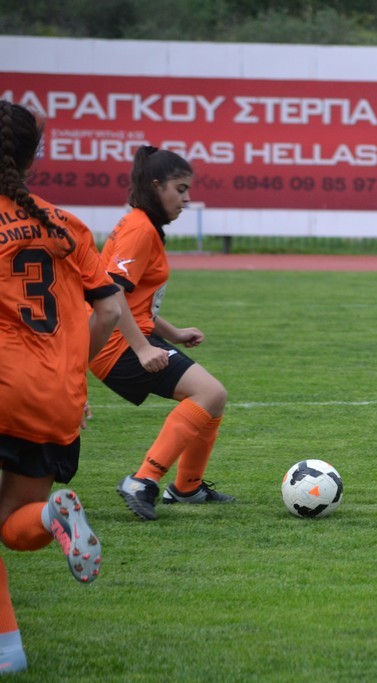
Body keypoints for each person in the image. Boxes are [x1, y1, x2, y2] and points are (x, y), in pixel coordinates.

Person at [0, 101, 121, 673]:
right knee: (15, 522)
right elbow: (109, 310)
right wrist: (73, 374)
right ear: (33, 157)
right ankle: (52, 515)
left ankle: (8, 650)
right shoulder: (68, 224)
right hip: (56, 397)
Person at [90, 146, 233, 521]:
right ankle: (142, 480)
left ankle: (187, 488)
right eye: (180, 189)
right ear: (156, 186)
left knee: (213, 400)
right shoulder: (139, 229)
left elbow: (136, 300)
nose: (186, 199)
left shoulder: (142, 225)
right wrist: (142, 348)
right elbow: (112, 291)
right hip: (116, 345)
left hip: (125, 337)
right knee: (211, 393)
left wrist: (174, 332)